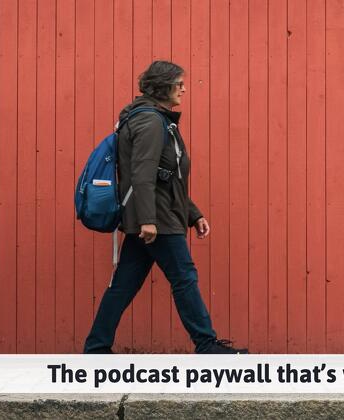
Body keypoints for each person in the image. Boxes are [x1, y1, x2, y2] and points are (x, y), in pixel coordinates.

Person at [83, 61, 248, 354]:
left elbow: (168, 178)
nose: (184, 89)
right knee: (184, 277)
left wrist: (193, 214)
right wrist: (148, 219)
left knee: (124, 284)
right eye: (179, 84)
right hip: (157, 219)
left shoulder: (156, 119)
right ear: (163, 86)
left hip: (155, 214)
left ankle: (96, 346)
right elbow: (142, 173)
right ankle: (206, 343)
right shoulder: (149, 121)